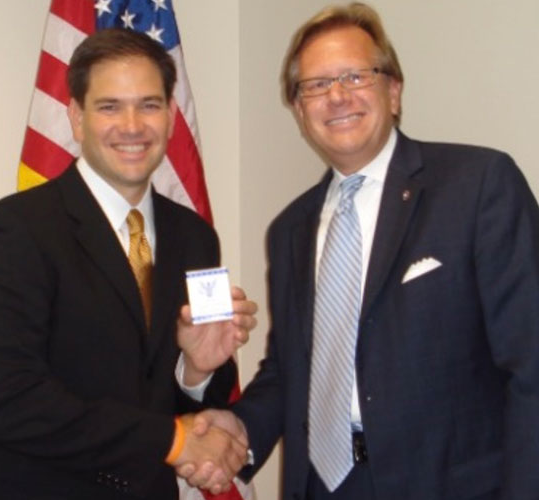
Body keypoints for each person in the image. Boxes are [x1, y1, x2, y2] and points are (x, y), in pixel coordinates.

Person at [181, 3, 539, 499]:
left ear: (393, 91)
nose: (337, 96)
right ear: (300, 110)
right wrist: (238, 430)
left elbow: (531, 364)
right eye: (316, 85)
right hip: (323, 487)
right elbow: (293, 370)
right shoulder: (289, 230)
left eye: (355, 75)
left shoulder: (477, 187)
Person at [0, 28, 256, 500]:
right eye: (109, 106)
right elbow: (12, 401)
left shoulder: (196, 237)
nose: (132, 125)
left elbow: (172, 396)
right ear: (76, 118)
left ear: (172, 116)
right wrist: (173, 440)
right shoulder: (14, 231)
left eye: (150, 104)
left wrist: (196, 371)